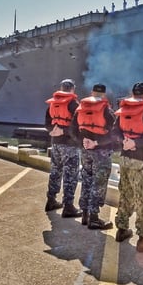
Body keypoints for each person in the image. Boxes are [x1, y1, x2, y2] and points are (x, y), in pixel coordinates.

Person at [112, 82, 143, 252]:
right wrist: (137, 143)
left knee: (125, 194)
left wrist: (126, 142)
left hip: (125, 159)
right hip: (142, 162)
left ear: (132, 93)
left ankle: (121, 229)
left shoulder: (123, 111)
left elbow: (115, 132)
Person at [71, 83, 116, 230]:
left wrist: (83, 142)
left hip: (85, 151)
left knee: (86, 180)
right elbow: (113, 134)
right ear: (103, 94)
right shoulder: (107, 110)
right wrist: (96, 142)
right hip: (101, 152)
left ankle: (84, 214)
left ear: (92, 92)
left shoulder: (80, 109)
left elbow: (72, 130)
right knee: (99, 184)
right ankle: (94, 218)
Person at [44, 79, 82, 218]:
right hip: (70, 145)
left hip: (55, 143)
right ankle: (68, 207)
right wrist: (64, 131)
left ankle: (51, 200)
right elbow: (76, 126)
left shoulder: (53, 103)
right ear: (72, 89)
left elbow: (47, 123)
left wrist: (53, 131)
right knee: (70, 176)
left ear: (61, 88)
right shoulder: (73, 104)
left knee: (55, 172)